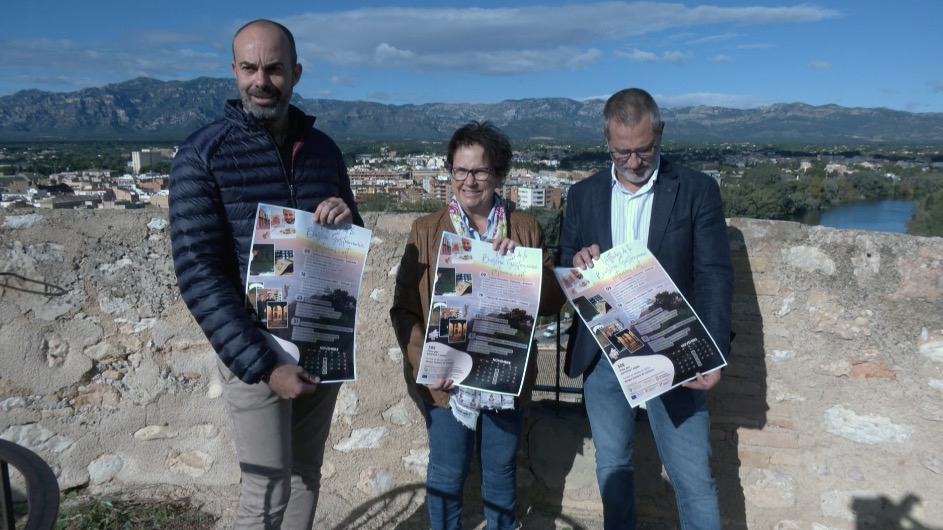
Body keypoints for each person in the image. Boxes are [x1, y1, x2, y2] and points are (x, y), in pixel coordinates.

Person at [168, 19, 362, 528]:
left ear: (295, 73)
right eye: (250, 68)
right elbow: (198, 274)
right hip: (254, 351)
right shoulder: (202, 155)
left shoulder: (323, 150)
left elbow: (352, 237)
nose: (261, 81)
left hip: (319, 339)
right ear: (234, 72)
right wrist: (262, 363)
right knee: (265, 486)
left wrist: (346, 220)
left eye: (273, 69)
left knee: (305, 475)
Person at [559, 88, 733, 529]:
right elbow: (563, 261)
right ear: (606, 141)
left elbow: (713, 273)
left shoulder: (697, 190)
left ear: (660, 133)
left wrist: (712, 353)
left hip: (675, 353)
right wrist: (577, 264)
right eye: (622, 154)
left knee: (692, 478)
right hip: (605, 355)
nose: (635, 162)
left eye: (644, 150)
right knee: (612, 469)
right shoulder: (582, 195)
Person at [390, 121, 563, 529]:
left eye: (480, 171)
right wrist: (429, 366)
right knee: (448, 476)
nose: (469, 181)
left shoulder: (525, 230)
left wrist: (525, 267)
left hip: (505, 378)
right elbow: (403, 310)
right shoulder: (426, 230)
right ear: (449, 172)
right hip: (447, 384)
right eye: (460, 171)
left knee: (501, 475)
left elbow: (552, 302)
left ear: (498, 174)